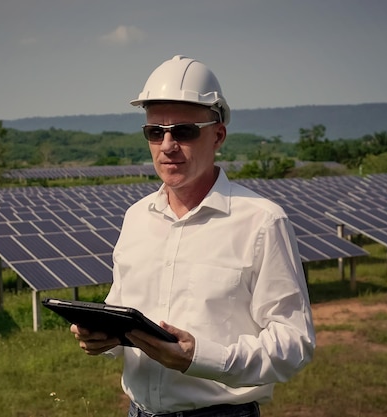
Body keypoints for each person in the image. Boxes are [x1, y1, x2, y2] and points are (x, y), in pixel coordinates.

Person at [71, 55, 315, 417]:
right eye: (155, 132)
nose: (167, 145)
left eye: (183, 131)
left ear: (218, 135)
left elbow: (294, 345)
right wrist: (103, 338)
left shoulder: (261, 222)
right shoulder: (137, 218)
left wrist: (198, 357)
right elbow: (123, 314)